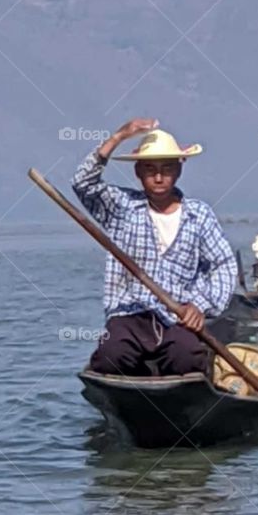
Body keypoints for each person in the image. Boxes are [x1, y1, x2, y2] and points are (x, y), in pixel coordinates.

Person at [72, 118, 237, 376]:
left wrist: (199, 306)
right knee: (109, 358)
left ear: (179, 170)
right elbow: (83, 184)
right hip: (130, 315)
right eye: (150, 169)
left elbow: (223, 266)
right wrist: (119, 137)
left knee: (186, 359)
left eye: (167, 169)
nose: (158, 177)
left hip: (178, 318)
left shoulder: (198, 215)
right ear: (138, 172)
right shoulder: (122, 207)